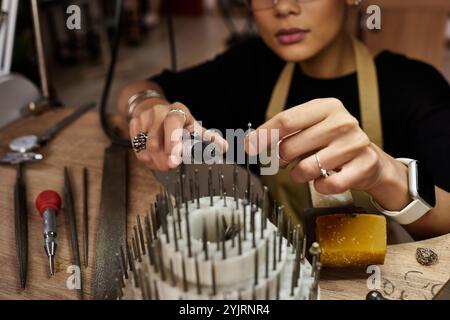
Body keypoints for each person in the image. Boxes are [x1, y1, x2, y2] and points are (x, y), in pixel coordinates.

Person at [117, 0, 450, 240]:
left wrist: (384, 174)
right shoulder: (250, 68)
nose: (282, 7)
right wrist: (149, 108)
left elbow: (446, 218)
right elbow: (139, 89)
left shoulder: (412, 85)